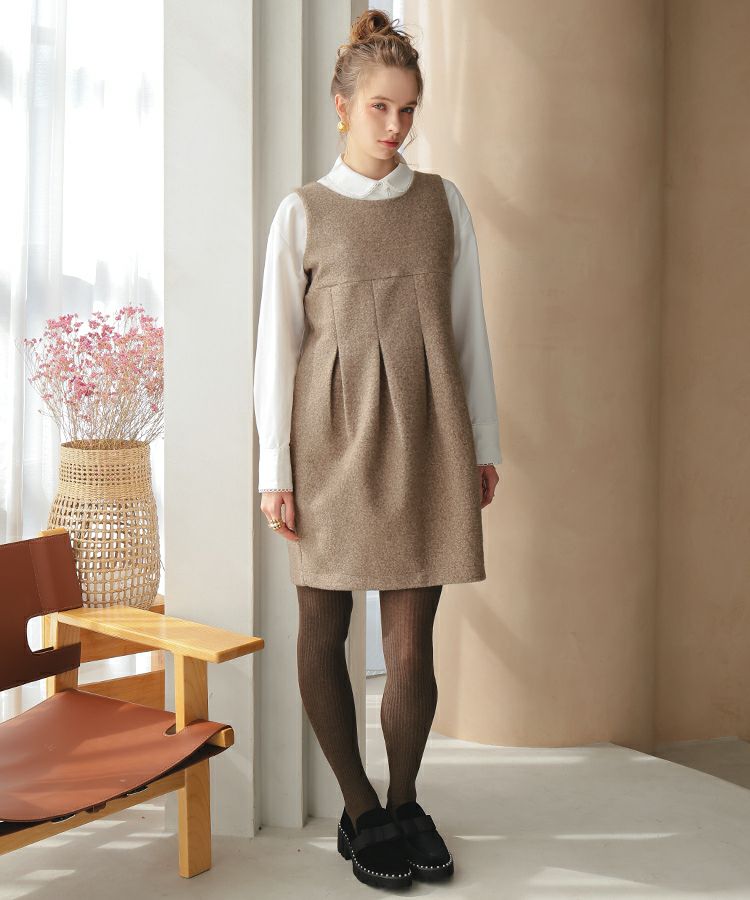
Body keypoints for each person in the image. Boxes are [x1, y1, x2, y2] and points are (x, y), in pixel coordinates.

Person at [253, 8, 502, 891]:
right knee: (323, 630)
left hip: (430, 436)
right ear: (342, 106)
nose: (396, 127)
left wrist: (484, 442)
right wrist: (273, 470)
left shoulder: (442, 203)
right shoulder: (302, 211)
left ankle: (403, 801)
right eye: (380, 108)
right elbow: (276, 351)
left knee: (411, 648)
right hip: (328, 443)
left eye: (408, 110)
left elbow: (468, 333)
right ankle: (359, 809)